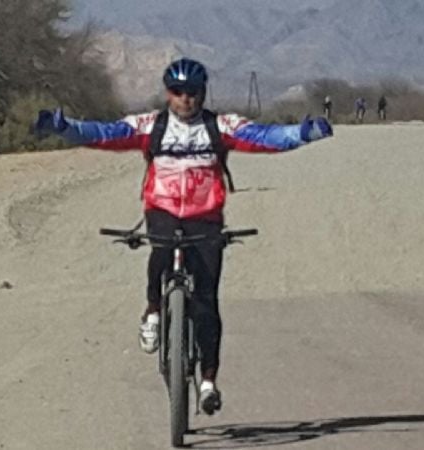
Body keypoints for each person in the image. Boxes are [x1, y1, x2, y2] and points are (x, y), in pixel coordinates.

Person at [33, 58, 332, 415]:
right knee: (159, 251)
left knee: (206, 301)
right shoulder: (150, 126)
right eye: (177, 92)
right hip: (162, 209)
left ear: (203, 94)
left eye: (192, 93)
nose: (185, 99)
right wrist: (63, 127)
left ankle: (207, 381)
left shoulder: (221, 126)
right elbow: (103, 133)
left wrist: (302, 134)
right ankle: (153, 311)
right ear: (167, 94)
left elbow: (265, 137)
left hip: (205, 218)